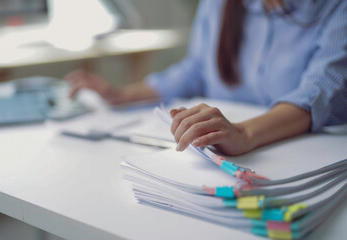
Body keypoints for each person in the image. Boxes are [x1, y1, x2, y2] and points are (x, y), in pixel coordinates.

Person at [66, 0, 347, 156]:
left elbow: (321, 89)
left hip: (301, 154)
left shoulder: (336, 7)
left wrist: (245, 133)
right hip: (220, 161)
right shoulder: (219, 4)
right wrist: (122, 95)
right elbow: (198, 70)